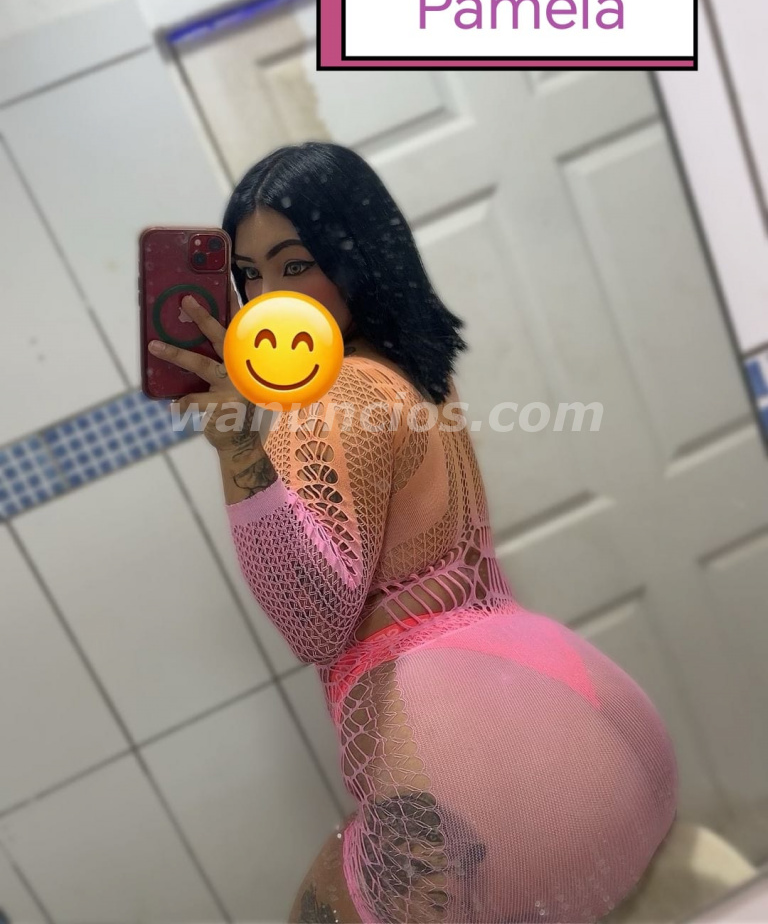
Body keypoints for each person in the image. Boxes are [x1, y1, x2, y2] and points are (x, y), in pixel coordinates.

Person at [148, 141, 678, 924]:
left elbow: (314, 622)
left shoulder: (333, 393)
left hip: (483, 789)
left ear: (356, 255)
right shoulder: (413, 365)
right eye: (250, 276)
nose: (267, 298)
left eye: (296, 266)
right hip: (601, 725)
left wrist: (239, 452)